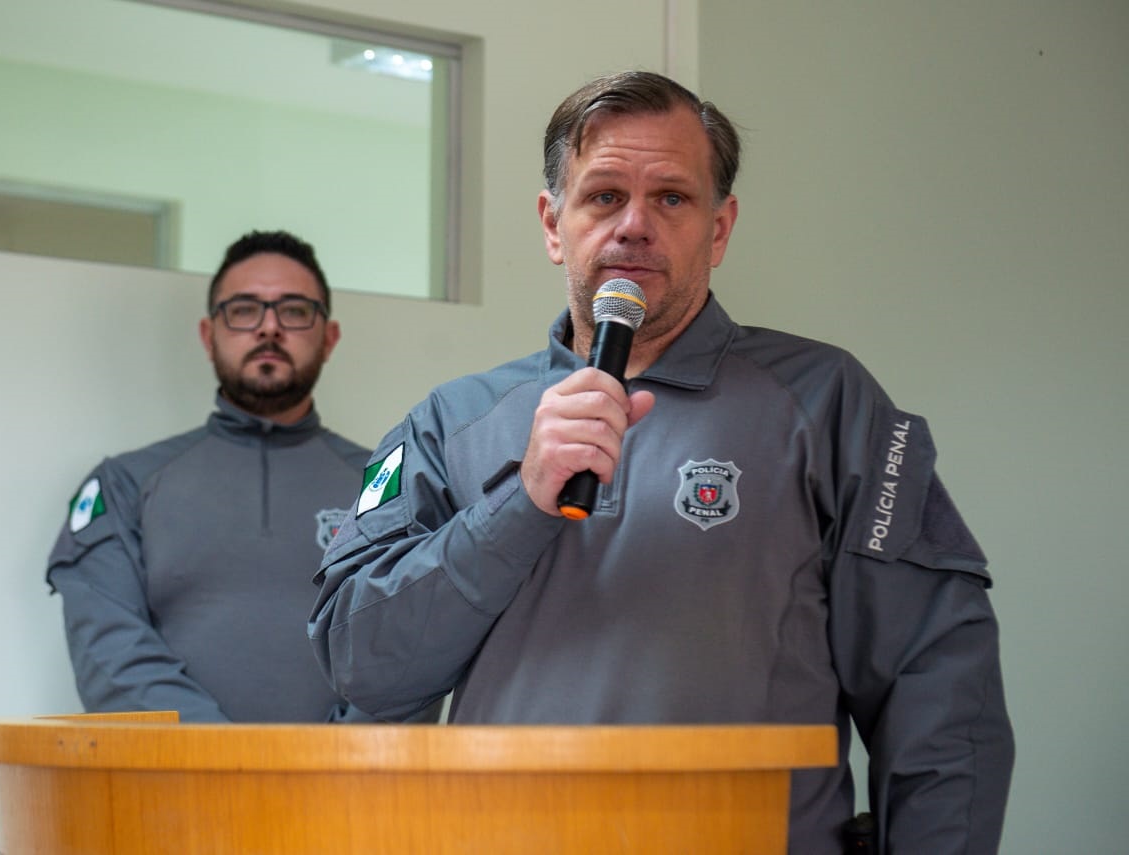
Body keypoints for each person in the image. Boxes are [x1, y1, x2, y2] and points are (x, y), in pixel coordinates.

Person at [308, 72, 1014, 850]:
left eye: (672, 197)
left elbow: (939, 691)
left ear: (719, 228)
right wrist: (520, 504)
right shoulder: (446, 423)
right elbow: (360, 662)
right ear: (553, 224)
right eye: (604, 196)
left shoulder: (828, 402)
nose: (635, 225)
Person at [47, 229, 383, 723]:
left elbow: (415, 648)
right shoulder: (124, 487)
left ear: (329, 337)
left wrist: (335, 756)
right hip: (176, 773)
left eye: (294, 311)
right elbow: (110, 653)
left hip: (354, 773)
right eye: (244, 310)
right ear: (209, 335)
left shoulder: (386, 489)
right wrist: (221, 756)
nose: (269, 328)